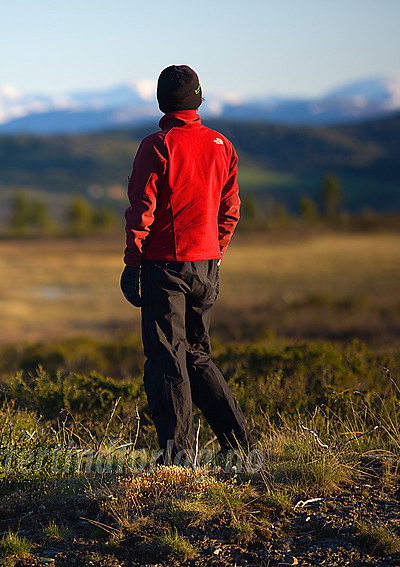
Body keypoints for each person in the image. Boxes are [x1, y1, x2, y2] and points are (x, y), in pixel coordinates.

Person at [120, 65, 254, 467]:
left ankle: (177, 462)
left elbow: (141, 211)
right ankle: (242, 451)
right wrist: (214, 252)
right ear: (198, 98)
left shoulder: (157, 145)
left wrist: (132, 264)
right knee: (196, 356)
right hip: (206, 265)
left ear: (162, 101)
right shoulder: (222, 145)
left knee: (167, 359)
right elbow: (230, 211)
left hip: (165, 267)